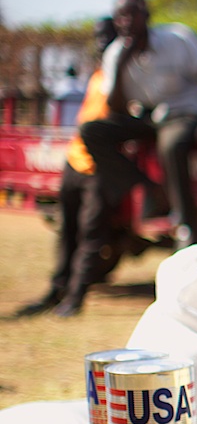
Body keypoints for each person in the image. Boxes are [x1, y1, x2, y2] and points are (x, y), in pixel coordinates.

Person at [16, 18, 148, 317]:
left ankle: (74, 300)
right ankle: (56, 290)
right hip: (75, 159)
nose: (102, 42)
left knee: (92, 235)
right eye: (99, 37)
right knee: (68, 231)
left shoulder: (130, 76)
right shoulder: (97, 75)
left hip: (100, 166)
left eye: (108, 37)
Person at [82, 0, 197, 248]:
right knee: (92, 131)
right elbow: (116, 108)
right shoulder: (115, 54)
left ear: (146, 15)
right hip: (145, 117)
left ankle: (187, 224)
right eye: (119, 17)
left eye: (131, 14)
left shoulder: (178, 38)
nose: (125, 22)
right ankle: (148, 188)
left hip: (183, 112)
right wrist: (123, 62)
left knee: (171, 145)